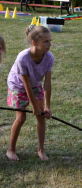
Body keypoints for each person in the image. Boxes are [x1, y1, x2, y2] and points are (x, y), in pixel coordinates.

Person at [6, 25, 54, 161]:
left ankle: (41, 150)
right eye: (46, 41)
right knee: (21, 118)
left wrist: (47, 107)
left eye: (50, 40)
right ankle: (11, 150)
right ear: (34, 43)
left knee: (41, 116)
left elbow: (47, 83)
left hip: (35, 84)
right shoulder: (23, 58)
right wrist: (33, 106)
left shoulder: (49, 57)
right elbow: (25, 84)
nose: (50, 44)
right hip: (18, 85)